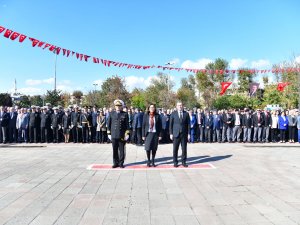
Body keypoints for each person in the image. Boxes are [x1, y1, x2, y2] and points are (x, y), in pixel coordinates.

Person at [107, 99, 130, 168]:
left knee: (122, 150)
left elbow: (127, 125)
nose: (118, 107)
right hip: (114, 135)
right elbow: (108, 124)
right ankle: (115, 163)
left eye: (119, 106)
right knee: (114, 150)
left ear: (121, 106)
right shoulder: (111, 113)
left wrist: (127, 134)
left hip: (122, 135)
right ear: (115, 106)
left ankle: (121, 163)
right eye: (117, 106)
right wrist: (109, 134)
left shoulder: (125, 114)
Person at [169, 102, 190, 167]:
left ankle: (183, 161)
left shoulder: (186, 114)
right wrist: (171, 133)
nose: (180, 106)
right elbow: (170, 124)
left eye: (181, 105)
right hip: (176, 134)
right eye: (178, 105)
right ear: (176, 106)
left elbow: (188, 125)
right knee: (175, 149)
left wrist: (188, 134)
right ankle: (175, 162)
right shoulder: (173, 114)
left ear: (182, 106)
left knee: (184, 149)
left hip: (184, 134)